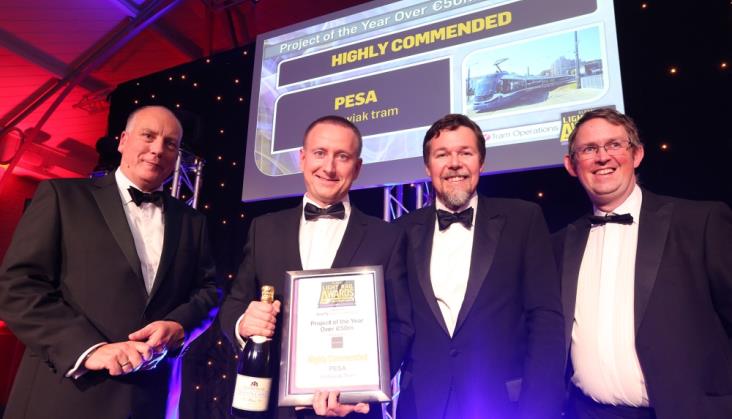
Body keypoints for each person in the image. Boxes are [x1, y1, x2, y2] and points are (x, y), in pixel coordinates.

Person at [0, 106, 220, 419]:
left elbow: (208, 291)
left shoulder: (192, 222)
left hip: (152, 401)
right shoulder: (63, 197)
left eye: (170, 144)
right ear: (123, 141)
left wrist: (180, 325)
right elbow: (17, 287)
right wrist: (90, 349)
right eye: (148, 136)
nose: (158, 149)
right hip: (67, 395)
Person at [218, 115, 412, 418]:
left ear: (357, 167)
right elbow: (234, 304)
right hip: (272, 409)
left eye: (342, 156)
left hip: (351, 410)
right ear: (302, 158)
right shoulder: (264, 229)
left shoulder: (387, 236)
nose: (329, 167)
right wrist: (244, 324)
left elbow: (401, 326)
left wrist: (361, 388)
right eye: (320, 153)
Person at [554, 108, 732, 419]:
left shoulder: (699, 223)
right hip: (590, 412)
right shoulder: (558, 244)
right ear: (571, 165)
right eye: (589, 149)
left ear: (637, 154)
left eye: (614, 145)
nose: (602, 157)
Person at [394, 114, 565, 419]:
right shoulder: (401, 230)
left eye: (465, 153)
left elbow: (545, 318)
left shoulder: (523, 219)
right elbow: (394, 321)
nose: (454, 163)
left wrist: (539, 407)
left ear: (481, 163)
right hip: (421, 403)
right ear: (427, 167)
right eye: (442, 155)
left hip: (503, 403)